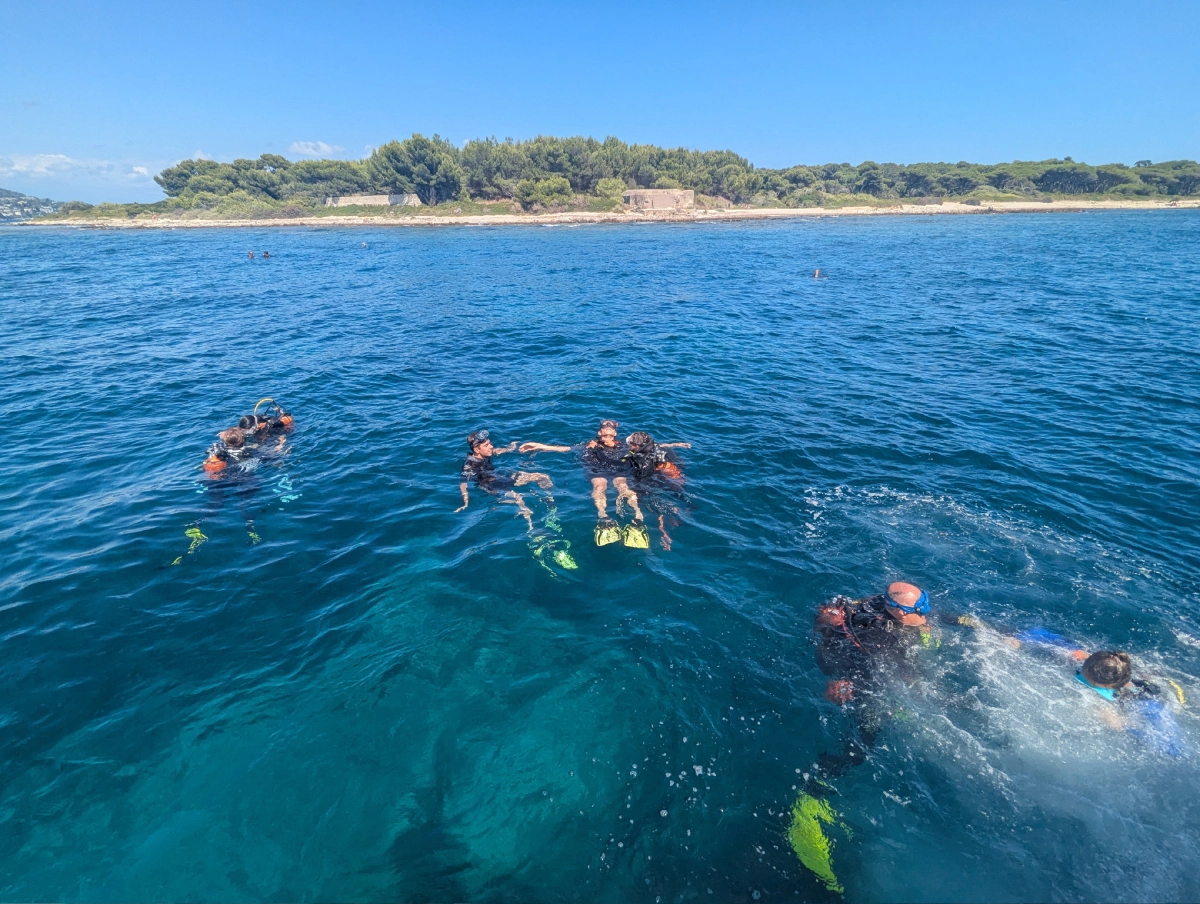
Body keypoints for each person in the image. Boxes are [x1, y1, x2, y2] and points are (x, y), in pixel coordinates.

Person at [789, 581, 939, 894]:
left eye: (925, 604)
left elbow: (955, 619)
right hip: (852, 672)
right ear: (900, 611)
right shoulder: (882, 641)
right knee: (860, 748)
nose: (926, 614)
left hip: (847, 644)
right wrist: (848, 685)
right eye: (921, 609)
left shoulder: (876, 604)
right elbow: (878, 675)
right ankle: (811, 794)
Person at [1009, 631, 1185, 757]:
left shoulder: (1146, 703)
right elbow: (1043, 633)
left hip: (1150, 692)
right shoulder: (1085, 660)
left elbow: (1173, 749)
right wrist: (1019, 639)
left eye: (1090, 683)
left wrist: (1122, 726)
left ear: (1111, 687)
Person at [521, 420, 689, 547]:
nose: (608, 427)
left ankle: (638, 518)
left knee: (623, 486)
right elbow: (564, 448)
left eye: (611, 426)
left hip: (619, 470)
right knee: (599, 486)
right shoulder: (589, 445)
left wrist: (675, 444)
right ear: (599, 432)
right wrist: (538, 446)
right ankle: (604, 518)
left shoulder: (624, 444)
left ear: (615, 432)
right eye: (604, 426)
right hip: (596, 469)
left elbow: (647, 446)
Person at [623, 432, 690, 550]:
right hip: (676, 477)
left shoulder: (640, 459)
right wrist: (676, 444)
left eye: (630, 443)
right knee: (679, 498)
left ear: (637, 446)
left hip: (656, 482)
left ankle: (663, 532)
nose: (629, 445)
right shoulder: (658, 448)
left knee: (653, 505)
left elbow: (641, 477)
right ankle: (681, 512)